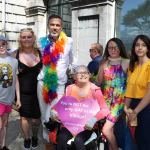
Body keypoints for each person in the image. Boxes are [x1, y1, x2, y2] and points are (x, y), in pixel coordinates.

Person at [51, 65, 110, 150]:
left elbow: (105, 110)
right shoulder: (70, 89)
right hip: (70, 125)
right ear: (74, 76)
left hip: (87, 127)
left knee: (79, 140)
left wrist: (94, 119)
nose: (83, 75)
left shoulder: (95, 90)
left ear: (89, 75)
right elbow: (59, 106)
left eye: (85, 72)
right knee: (61, 138)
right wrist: (53, 112)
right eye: (79, 73)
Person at [37, 14, 73, 147]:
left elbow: (71, 59)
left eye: (57, 25)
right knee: (43, 112)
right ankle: (47, 142)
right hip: (43, 82)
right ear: (48, 26)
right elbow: (29, 53)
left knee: (55, 113)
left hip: (59, 84)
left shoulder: (69, 41)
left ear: (61, 27)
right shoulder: (40, 42)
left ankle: (54, 139)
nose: (55, 27)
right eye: (52, 24)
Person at [13, 28, 42, 149]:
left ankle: (34, 135)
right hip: (22, 93)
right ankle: (27, 138)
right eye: (23, 37)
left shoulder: (40, 53)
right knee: (24, 117)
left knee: (36, 119)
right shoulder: (15, 54)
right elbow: (15, 78)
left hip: (39, 93)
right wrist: (18, 99)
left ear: (33, 38)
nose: (26, 39)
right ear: (20, 39)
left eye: (29, 37)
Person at [97, 38, 129, 150]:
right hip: (105, 102)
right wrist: (102, 66)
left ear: (120, 48)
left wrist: (127, 103)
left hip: (119, 102)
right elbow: (99, 82)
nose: (113, 49)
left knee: (106, 130)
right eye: (110, 47)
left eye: (116, 47)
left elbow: (131, 84)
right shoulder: (104, 63)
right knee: (110, 131)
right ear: (107, 49)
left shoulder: (126, 62)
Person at [124, 35, 150, 150]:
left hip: (146, 107)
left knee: (145, 141)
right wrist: (125, 107)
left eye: (143, 45)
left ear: (148, 48)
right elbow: (130, 90)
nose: (140, 48)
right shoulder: (132, 66)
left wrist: (135, 111)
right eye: (137, 45)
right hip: (133, 108)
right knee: (135, 141)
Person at [0, 35, 21, 150]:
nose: (1, 46)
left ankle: (3, 145)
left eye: (3, 44)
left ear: (6, 44)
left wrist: (18, 98)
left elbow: (16, 80)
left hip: (9, 99)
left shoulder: (14, 61)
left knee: (5, 124)